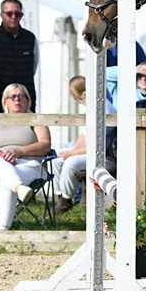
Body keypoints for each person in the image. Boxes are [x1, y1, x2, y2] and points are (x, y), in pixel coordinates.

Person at [0, 84, 52, 231]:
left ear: (28, 100)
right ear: (5, 101)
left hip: (28, 166)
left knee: (5, 180)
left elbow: (45, 145)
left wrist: (20, 151)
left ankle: (1, 230)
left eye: (21, 96)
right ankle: (19, 188)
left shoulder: (36, 121)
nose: (17, 99)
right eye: (12, 96)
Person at [53, 76, 89, 216]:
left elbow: (97, 145)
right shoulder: (86, 109)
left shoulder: (100, 107)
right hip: (85, 150)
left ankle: (67, 199)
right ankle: (60, 196)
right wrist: (72, 150)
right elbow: (83, 135)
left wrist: (73, 154)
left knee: (70, 163)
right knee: (56, 159)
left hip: (100, 152)